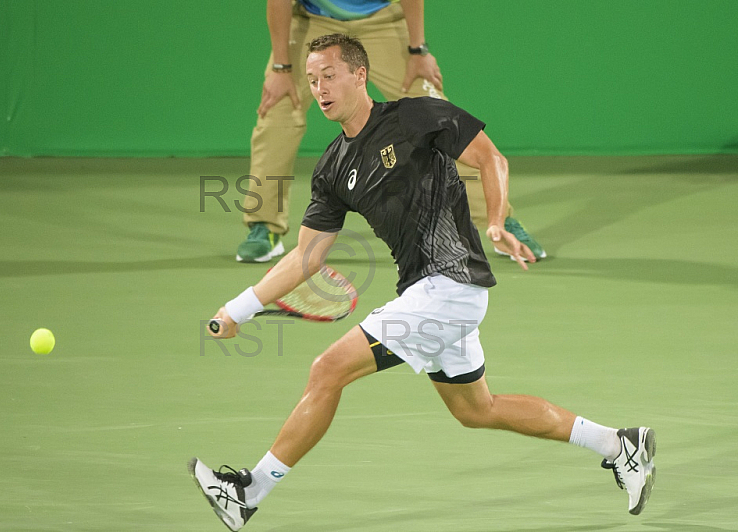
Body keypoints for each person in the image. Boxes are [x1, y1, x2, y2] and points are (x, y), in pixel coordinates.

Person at [191, 34, 655, 531]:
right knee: (477, 409)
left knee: (328, 370)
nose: (319, 88)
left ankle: (248, 492)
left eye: (329, 76)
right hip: (426, 293)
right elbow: (305, 255)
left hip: (451, 286)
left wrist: (496, 220)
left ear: (359, 75)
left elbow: (490, 158)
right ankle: (619, 444)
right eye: (311, 80)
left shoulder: (414, 116)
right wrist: (236, 308)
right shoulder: (332, 168)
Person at [236, 0, 545, 264]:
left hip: (383, 20)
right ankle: (265, 224)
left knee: (437, 120)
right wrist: (281, 68)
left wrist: (417, 50)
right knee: (277, 116)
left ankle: (499, 219)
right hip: (312, 23)